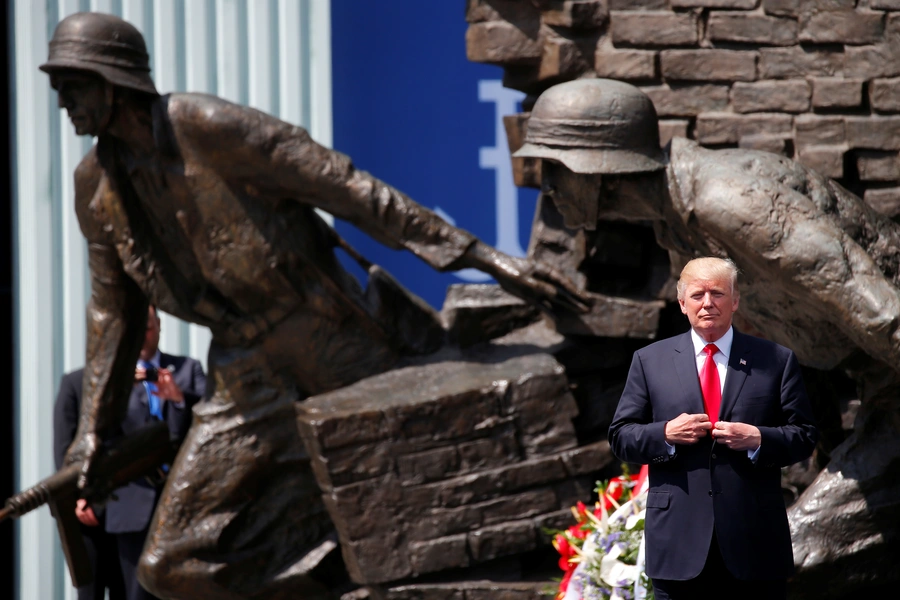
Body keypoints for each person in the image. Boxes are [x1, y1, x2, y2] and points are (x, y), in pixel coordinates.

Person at [40, 12, 587, 600]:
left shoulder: (206, 126)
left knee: (401, 497)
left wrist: (480, 255)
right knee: (169, 565)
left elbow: (349, 189)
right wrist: (90, 436)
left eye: (72, 85)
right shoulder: (94, 186)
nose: (63, 101)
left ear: (113, 81)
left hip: (330, 341)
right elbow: (111, 313)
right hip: (244, 373)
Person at [514, 77, 900, 379]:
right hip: (875, 387)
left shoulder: (725, 202)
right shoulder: (677, 225)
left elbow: (879, 309)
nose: (547, 187)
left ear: (600, 169)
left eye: (556, 168)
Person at [608, 257, 818, 599]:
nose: (708, 303)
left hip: (754, 544)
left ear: (735, 301)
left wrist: (758, 439)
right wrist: (665, 434)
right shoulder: (649, 361)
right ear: (682, 303)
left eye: (718, 293)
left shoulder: (776, 360)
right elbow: (620, 437)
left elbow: (805, 436)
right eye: (698, 294)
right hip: (678, 545)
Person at [106, 305, 206, 600]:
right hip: (132, 503)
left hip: (181, 501)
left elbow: (210, 414)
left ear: (159, 327)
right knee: (135, 591)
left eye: (147, 328)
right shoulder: (115, 380)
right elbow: (102, 434)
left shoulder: (189, 369)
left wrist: (178, 399)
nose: (143, 336)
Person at [54, 370, 127, 600]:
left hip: (130, 513)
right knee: (89, 591)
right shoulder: (75, 383)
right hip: (86, 513)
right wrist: (80, 497)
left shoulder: (132, 382)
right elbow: (64, 451)